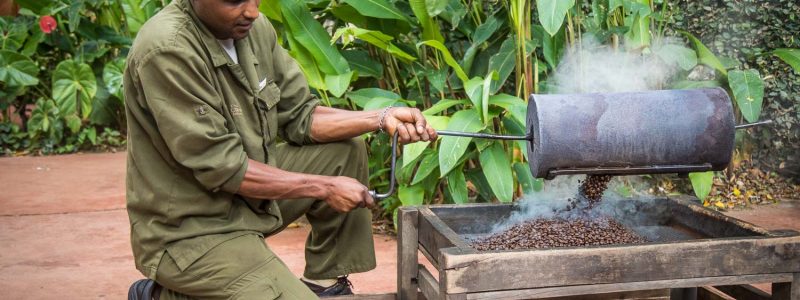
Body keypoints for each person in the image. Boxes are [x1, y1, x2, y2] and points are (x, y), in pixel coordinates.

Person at [123, 0, 437, 298]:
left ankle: (322, 284)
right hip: (191, 228)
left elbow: (301, 115)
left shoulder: (254, 30)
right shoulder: (167, 49)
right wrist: (323, 187)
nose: (251, 11)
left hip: (245, 201)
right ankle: (166, 295)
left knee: (344, 151)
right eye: (233, 2)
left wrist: (381, 118)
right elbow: (224, 167)